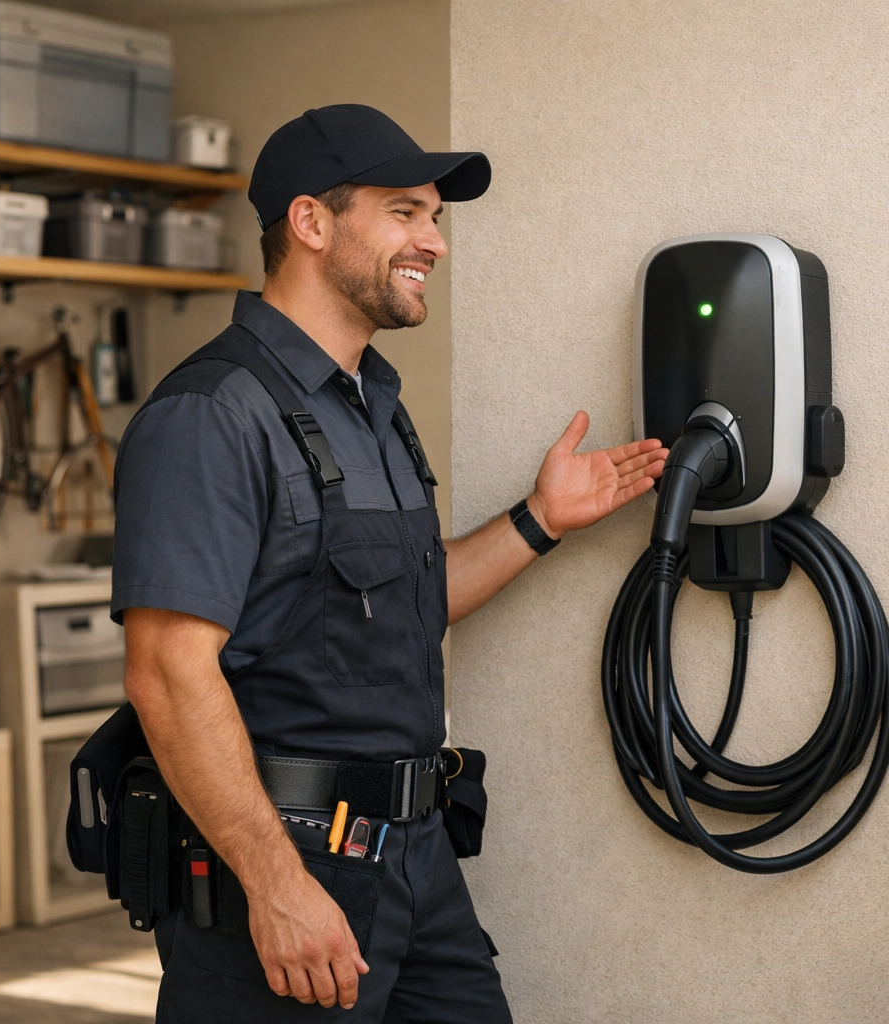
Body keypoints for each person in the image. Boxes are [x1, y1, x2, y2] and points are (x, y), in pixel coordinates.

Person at [113, 104, 667, 1023]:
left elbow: (399, 603)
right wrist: (278, 887)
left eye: (436, 218)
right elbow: (167, 674)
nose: (435, 243)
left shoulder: (372, 405)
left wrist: (539, 521)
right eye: (406, 212)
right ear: (312, 222)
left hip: (413, 861)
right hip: (287, 872)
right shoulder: (211, 415)